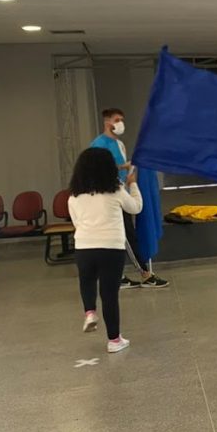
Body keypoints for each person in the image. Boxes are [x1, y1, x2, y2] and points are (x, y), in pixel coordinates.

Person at [68, 147, 143, 352]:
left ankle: (90, 312)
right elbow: (135, 208)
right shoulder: (116, 190)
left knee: (87, 281)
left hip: (83, 247)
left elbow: (76, 223)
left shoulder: (74, 196)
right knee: (109, 294)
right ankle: (114, 340)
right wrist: (133, 184)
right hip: (111, 247)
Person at [90, 108, 168, 289]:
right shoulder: (99, 145)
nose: (120, 123)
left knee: (119, 238)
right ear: (107, 122)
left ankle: (117, 275)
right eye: (117, 120)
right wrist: (122, 167)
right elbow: (96, 170)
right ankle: (145, 274)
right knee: (127, 236)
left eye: (122, 119)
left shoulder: (120, 144)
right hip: (109, 198)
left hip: (122, 193)